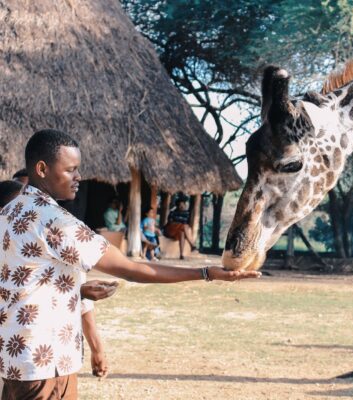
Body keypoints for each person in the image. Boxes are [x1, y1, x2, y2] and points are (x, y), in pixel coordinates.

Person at [0, 129, 259, 399]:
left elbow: (20, 281)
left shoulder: (9, 214)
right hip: (46, 361)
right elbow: (131, 269)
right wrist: (205, 273)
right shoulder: (54, 221)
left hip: (16, 357)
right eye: (71, 170)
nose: (78, 177)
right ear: (42, 169)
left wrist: (78, 291)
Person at [0, 179, 116, 380]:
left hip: (51, 361)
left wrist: (97, 349)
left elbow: (84, 308)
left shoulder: (55, 240)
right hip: (20, 363)